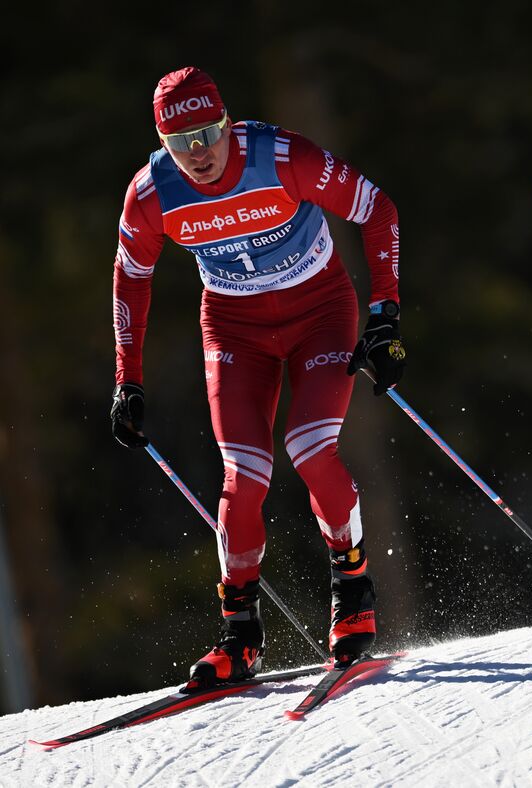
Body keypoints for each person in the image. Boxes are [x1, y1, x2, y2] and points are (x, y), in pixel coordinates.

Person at [108, 67, 407, 684]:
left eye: (209, 134)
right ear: (162, 143)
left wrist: (384, 314)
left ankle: (352, 589)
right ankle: (239, 633)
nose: (200, 154)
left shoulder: (283, 156)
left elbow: (377, 208)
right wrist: (127, 379)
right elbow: (131, 277)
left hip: (319, 313)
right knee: (243, 478)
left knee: (310, 448)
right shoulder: (151, 193)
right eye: (181, 142)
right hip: (234, 329)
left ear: (227, 124)